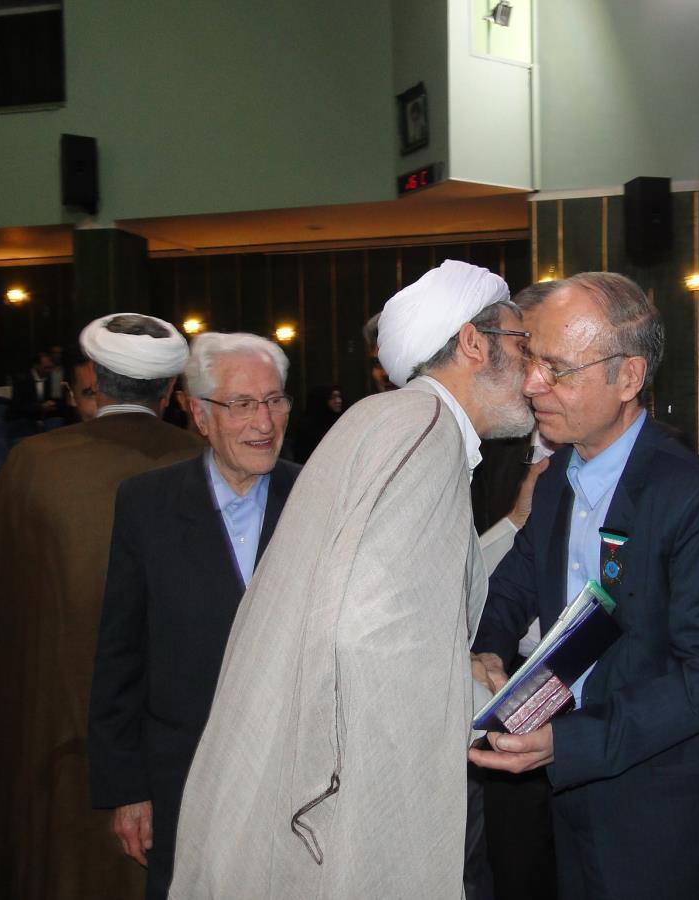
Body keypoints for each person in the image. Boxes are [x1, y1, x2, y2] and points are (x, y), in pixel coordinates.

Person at [170, 260, 534, 898]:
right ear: (474, 344)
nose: (533, 368)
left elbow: (391, 591)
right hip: (353, 775)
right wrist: (488, 708)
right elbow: (372, 633)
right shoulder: (424, 432)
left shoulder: (393, 418)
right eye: (521, 343)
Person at [470, 272, 699, 899]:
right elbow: (514, 584)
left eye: (557, 369)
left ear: (628, 378)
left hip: (669, 813)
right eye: (531, 361)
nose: (532, 385)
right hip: (574, 795)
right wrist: (488, 648)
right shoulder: (557, 478)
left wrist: (569, 744)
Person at [0, 313, 202, 900]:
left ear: (94, 377)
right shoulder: (206, 460)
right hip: (179, 730)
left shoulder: (34, 463)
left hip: (56, 726)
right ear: (171, 389)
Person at [88, 332, 302, 900]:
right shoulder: (147, 504)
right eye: (242, 404)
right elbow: (120, 652)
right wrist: (128, 787)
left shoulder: (319, 496)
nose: (264, 422)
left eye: (274, 400)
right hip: (183, 775)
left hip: (295, 777)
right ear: (199, 414)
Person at [294, 383, 343, 462]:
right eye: (332, 398)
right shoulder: (308, 426)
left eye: (339, 397)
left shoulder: (341, 421)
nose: (338, 401)